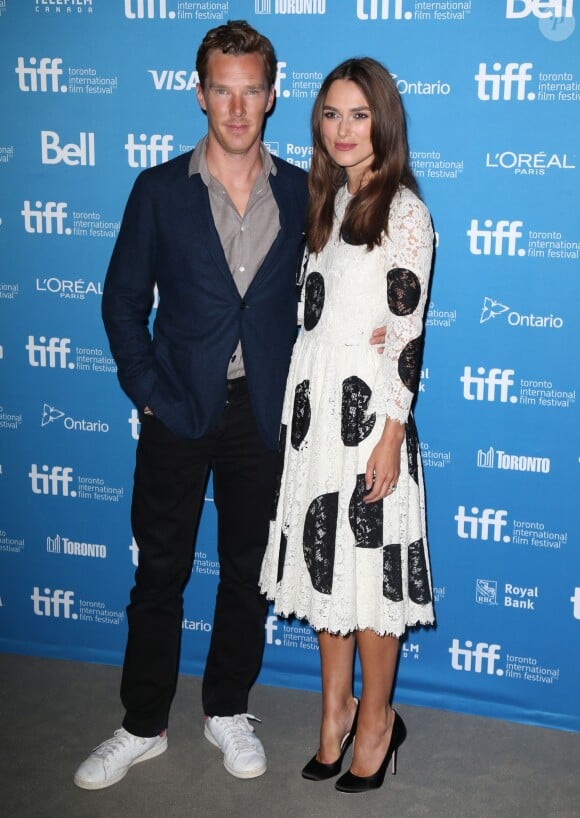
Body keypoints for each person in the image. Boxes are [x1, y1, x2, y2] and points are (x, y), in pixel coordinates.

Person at [73, 20, 309, 788]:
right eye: (222, 91)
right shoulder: (158, 191)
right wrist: (151, 396)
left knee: (245, 570)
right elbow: (120, 305)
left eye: (251, 93)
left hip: (262, 417)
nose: (237, 109)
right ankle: (142, 723)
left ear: (272, 96)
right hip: (178, 411)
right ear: (198, 91)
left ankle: (227, 709)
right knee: (160, 574)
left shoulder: (305, 192)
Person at [260, 57, 435, 794]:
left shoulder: (405, 212)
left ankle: (376, 722)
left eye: (358, 114)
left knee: (369, 582)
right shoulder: (324, 203)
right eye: (331, 114)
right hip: (314, 419)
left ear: (383, 122)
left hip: (369, 424)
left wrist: (391, 435)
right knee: (325, 571)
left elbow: (406, 332)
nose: (343, 129)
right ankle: (333, 714)